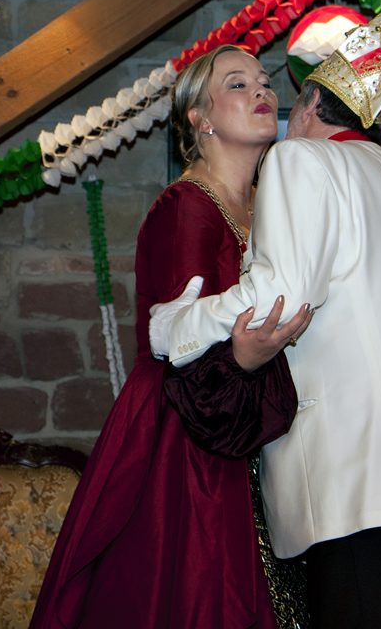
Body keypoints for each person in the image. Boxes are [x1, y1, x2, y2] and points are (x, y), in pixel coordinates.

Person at [150, 1, 381, 628]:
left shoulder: (301, 159)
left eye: (278, 95)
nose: (272, 104)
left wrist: (175, 325)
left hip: (367, 483)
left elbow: (282, 296)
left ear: (310, 106)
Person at [30, 45, 312, 629]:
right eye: (237, 84)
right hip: (189, 436)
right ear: (199, 118)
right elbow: (184, 349)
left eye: (264, 81)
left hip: (249, 424)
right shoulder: (186, 207)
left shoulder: (265, 209)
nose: (262, 91)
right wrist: (244, 357)